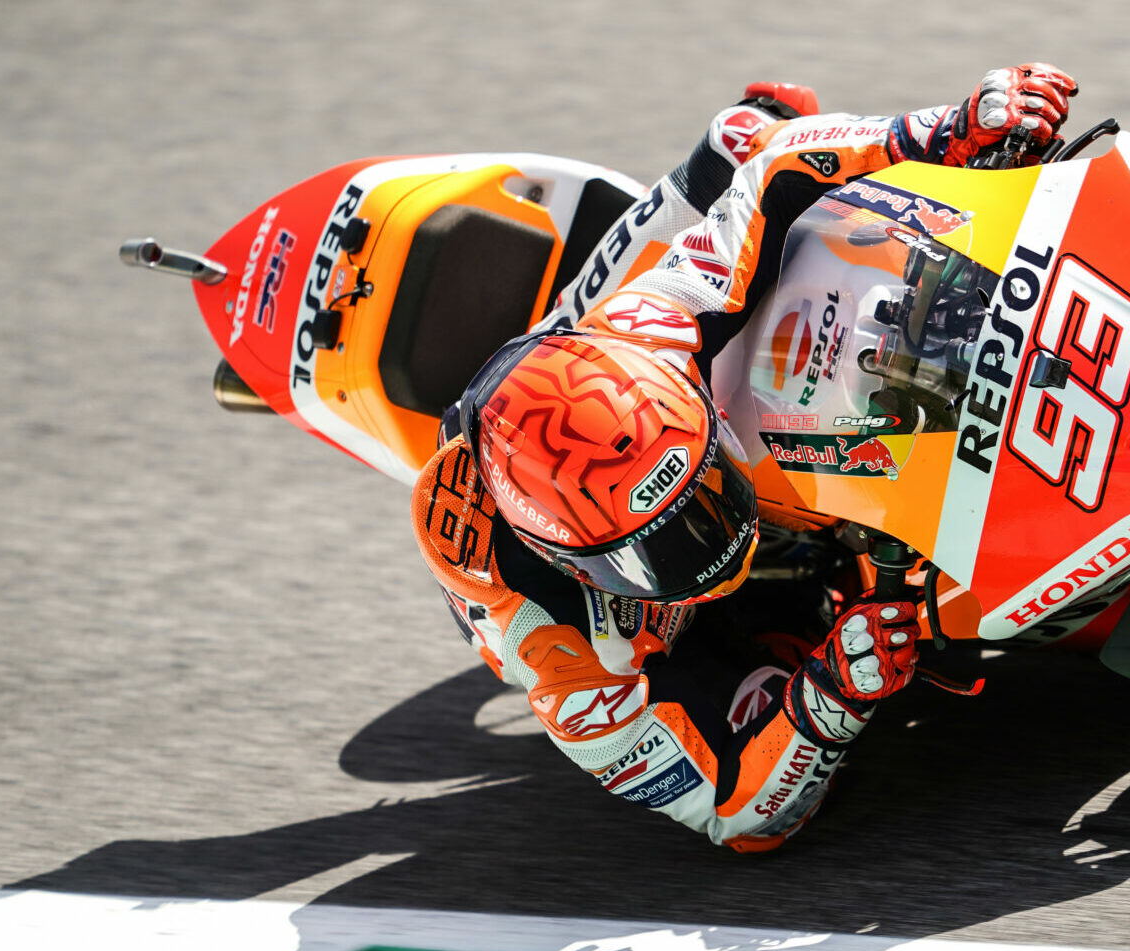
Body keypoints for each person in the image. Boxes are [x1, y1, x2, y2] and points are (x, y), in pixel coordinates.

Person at [410, 65, 1078, 852]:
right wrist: (832, 696)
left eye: (704, 497)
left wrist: (942, 127)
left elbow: (773, 174)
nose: (719, 534)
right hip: (686, 634)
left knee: (739, 141)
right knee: (772, 691)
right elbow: (731, 812)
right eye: (668, 539)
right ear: (579, 563)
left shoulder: (650, 327)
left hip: (603, 369)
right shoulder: (565, 661)